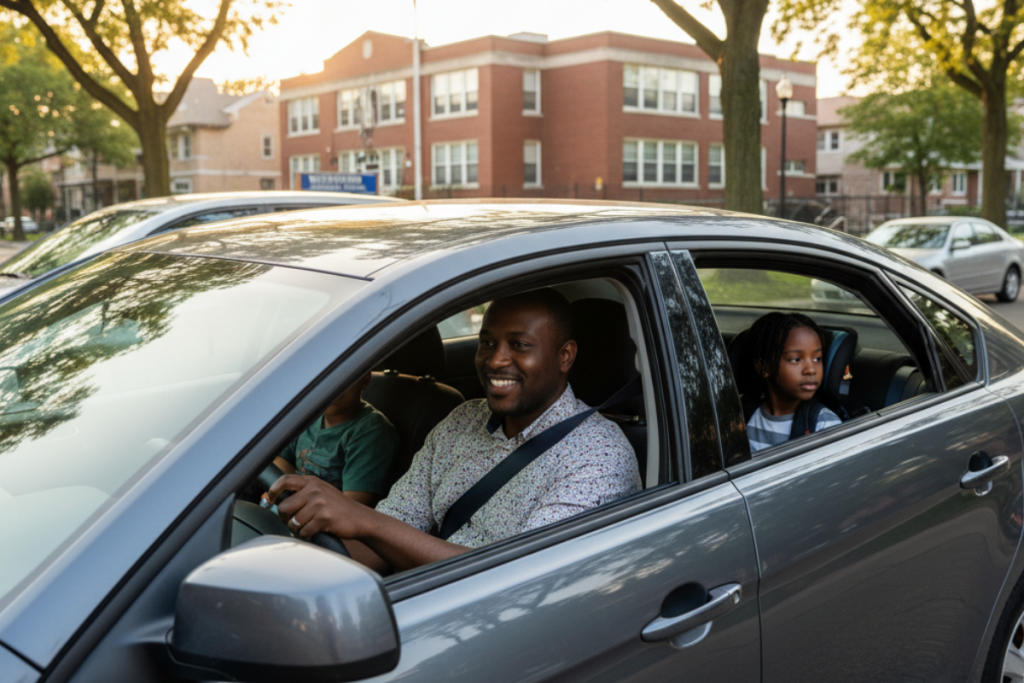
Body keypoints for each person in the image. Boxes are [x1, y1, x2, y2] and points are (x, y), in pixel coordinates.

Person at [267, 288, 641, 572]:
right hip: (425, 589)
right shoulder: (462, 420)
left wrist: (363, 521)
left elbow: (516, 577)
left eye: (520, 345)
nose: (496, 360)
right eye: (487, 343)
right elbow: (393, 529)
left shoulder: (598, 455)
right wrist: (298, 562)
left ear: (565, 356)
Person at [274, 372, 399, 507]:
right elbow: (280, 461)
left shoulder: (372, 432)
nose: (332, 387)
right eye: (323, 378)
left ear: (365, 380)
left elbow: (350, 508)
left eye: (343, 377)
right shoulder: (308, 413)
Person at [743, 311, 842, 453]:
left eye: (817, 359)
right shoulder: (742, 414)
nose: (811, 370)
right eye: (796, 359)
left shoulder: (824, 425)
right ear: (764, 367)